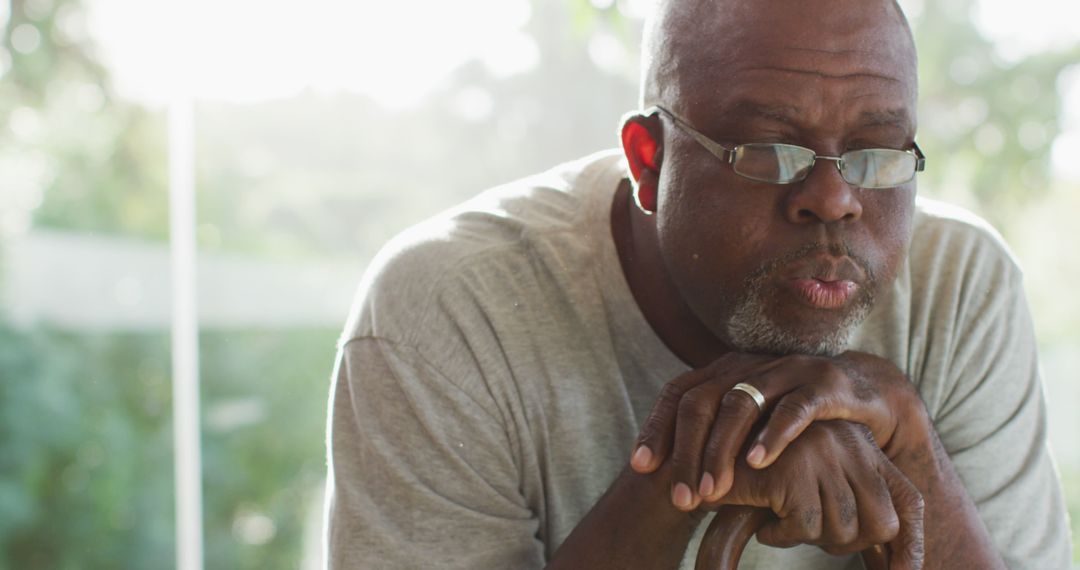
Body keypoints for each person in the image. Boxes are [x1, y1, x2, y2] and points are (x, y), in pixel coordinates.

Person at [324, 0, 1072, 568]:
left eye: (877, 152)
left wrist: (910, 440)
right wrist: (689, 469)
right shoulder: (451, 312)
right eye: (768, 148)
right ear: (649, 161)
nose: (835, 198)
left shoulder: (961, 283)